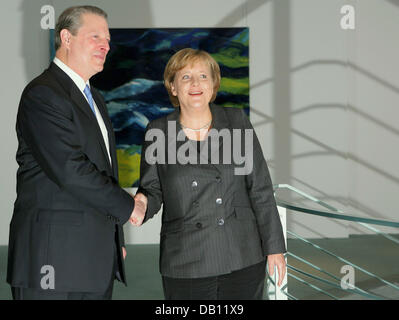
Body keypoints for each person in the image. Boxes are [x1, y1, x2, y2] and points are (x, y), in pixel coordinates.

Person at [7, 5, 145, 300]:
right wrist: (127, 206)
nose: (106, 45)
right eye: (95, 36)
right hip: (52, 263)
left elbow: (102, 170)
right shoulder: (43, 93)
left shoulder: (95, 98)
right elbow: (71, 169)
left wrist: (111, 240)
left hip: (93, 264)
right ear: (66, 38)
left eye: (107, 39)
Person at [134, 48, 286, 300]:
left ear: (213, 84)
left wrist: (274, 248)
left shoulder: (236, 122)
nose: (195, 84)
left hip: (241, 252)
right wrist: (141, 203)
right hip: (186, 257)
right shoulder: (158, 131)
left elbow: (260, 187)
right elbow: (152, 189)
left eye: (203, 76)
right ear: (172, 87)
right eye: (185, 77)